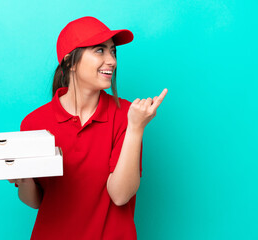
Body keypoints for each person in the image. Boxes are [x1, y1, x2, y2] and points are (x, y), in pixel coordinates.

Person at [9, 16, 168, 240]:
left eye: (112, 51)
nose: (111, 60)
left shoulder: (126, 115)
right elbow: (34, 201)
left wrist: (135, 128)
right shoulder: (34, 123)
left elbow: (120, 195)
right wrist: (23, 177)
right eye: (99, 50)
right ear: (69, 62)